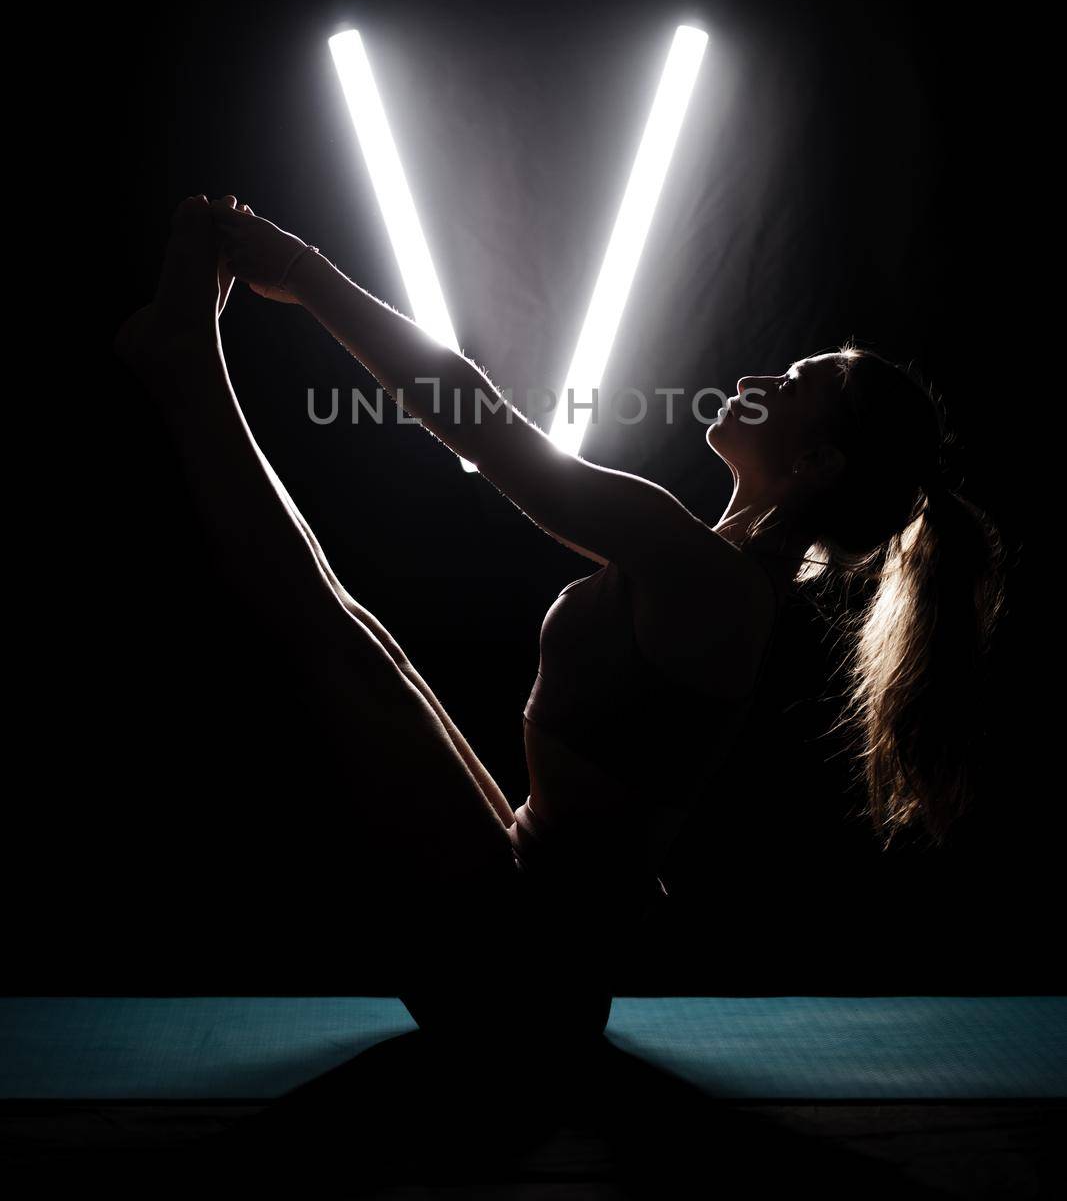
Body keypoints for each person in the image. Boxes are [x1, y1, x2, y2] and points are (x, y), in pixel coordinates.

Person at [115, 195, 1007, 1054]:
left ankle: (189, 368)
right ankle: (188, 364)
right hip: (528, 955)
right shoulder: (709, 567)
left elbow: (486, 430)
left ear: (814, 460)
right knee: (361, 638)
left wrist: (306, 274)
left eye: (789, 385)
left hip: (511, 975)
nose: (752, 379)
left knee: (333, 638)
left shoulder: (707, 576)